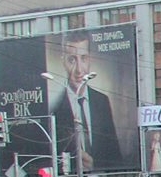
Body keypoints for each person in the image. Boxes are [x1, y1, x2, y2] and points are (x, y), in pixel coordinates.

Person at [49, 32, 126, 169]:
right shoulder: (54, 109)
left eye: (83, 59)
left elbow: (115, 157)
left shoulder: (101, 101)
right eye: (72, 60)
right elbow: (49, 159)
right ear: (63, 61)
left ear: (90, 59)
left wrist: (95, 166)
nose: (79, 70)